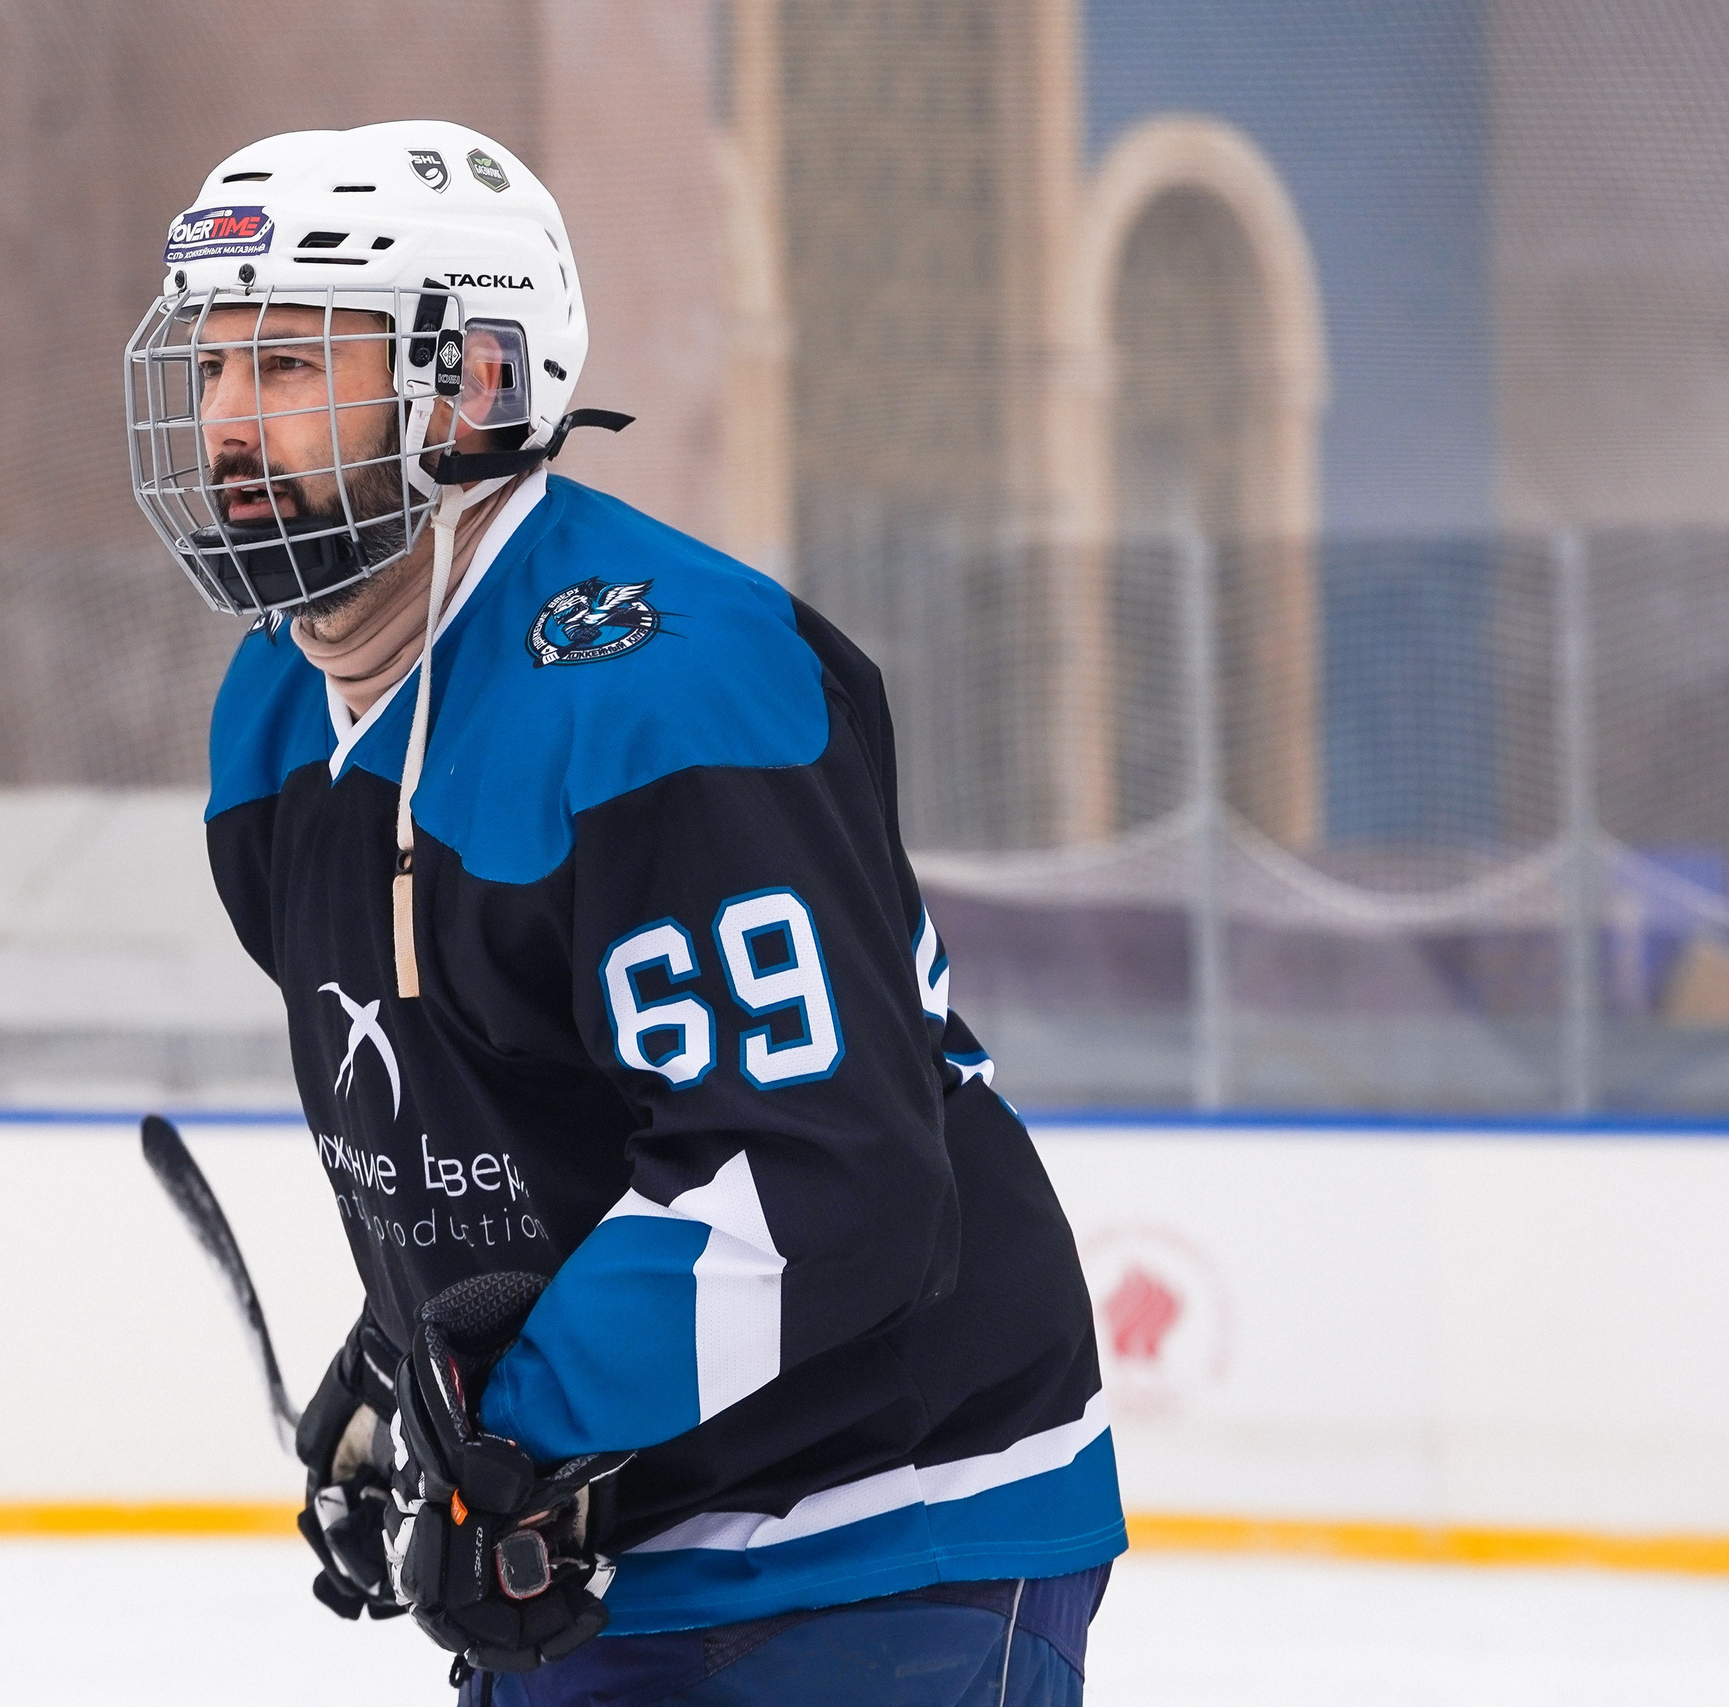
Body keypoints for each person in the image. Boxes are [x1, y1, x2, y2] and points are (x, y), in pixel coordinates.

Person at [125, 121, 1126, 1706]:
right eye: (217, 367)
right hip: (604, 1546)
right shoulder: (271, 719)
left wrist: (516, 1432)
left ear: (473, 383)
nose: (230, 426)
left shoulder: (668, 689)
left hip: (886, 1526)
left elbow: (827, 1173)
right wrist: (419, 1376)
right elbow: (506, 1100)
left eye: (292, 365)